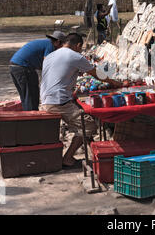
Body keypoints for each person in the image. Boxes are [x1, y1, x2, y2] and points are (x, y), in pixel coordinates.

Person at [40, 33, 122, 167]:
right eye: (80, 48)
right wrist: (113, 82)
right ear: (78, 46)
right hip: (58, 101)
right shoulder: (74, 56)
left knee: (82, 121)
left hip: (47, 98)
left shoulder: (51, 55)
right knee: (88, 125)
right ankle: (68, 157)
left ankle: (94, 154)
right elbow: (97, 74)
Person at [10, 31, 66, 111]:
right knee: (32, 96)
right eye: (62, 45)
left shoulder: (45, 43)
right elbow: (47, 64)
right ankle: (32, 119)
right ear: (57, 42)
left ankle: (28, 117)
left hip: (14, 67)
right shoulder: (50, 46)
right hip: (24, 68)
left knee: (26, 96)